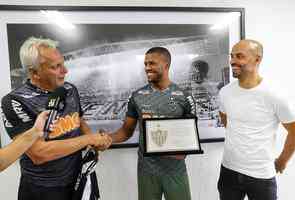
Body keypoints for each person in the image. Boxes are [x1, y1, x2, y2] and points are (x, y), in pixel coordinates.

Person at [1, 37, 112, 200]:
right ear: (34, 73)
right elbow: (39, 154)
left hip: (78, 180)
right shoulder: (14, 100)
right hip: (42, 189)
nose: (65, 71)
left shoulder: (69, 88)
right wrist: (89, 138)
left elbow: (79, 121)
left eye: (63, 63)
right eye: (56, 67)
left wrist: (96, 143)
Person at [217, 39, 295, 200]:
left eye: (240, 56)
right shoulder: (225, 92)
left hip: (261, 175)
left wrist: (282, 161)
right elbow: (225, 120)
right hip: (228, 170)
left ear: (257, 59)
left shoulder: (274, 94)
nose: (233, 61)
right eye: (232, 56)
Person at [107, 47, 196, 200]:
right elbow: (126, 131)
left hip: (175, 170)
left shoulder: (184, 97)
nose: (147, 68)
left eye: (152, 63)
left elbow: (190, 136)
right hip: (146, 170)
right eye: (145, 64)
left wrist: (184, 151)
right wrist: (107, 138)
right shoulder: (137, 96)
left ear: (166, 65)